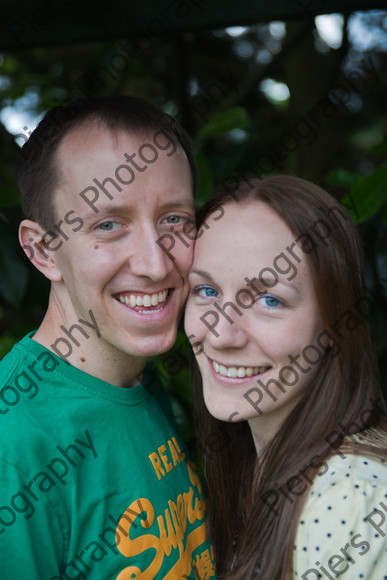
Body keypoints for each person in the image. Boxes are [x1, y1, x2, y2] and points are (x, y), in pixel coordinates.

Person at [0, 96, 216, 579]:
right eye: (109, 225)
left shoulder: (136, 377)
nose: (156, 264)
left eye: (174, 220)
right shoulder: (13, 441)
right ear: (43, 251)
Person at [184, 175, 387, 579]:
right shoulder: (253, 466)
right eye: (206, 291)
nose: (221, 335)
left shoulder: (351, 498)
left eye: (269, 299)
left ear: (333, 324)